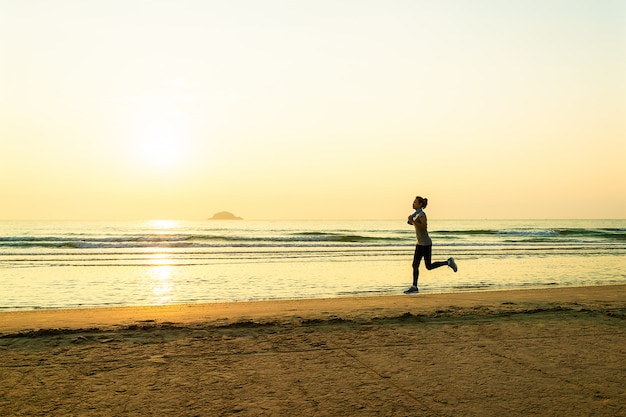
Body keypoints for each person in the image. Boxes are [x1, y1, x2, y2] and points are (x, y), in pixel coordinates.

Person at [404, 196, 457, 294]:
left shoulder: (422, 214)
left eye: (415, 202)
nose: (413, 203)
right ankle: (414, 287)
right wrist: (411, 221)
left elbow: (424, 227)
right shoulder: (416, 214)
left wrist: (413, 221)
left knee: (428, 266)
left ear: (420, 204)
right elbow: (414, 224)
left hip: (426, 244)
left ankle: (449, 262)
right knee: (415, 265)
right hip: (419, 244)